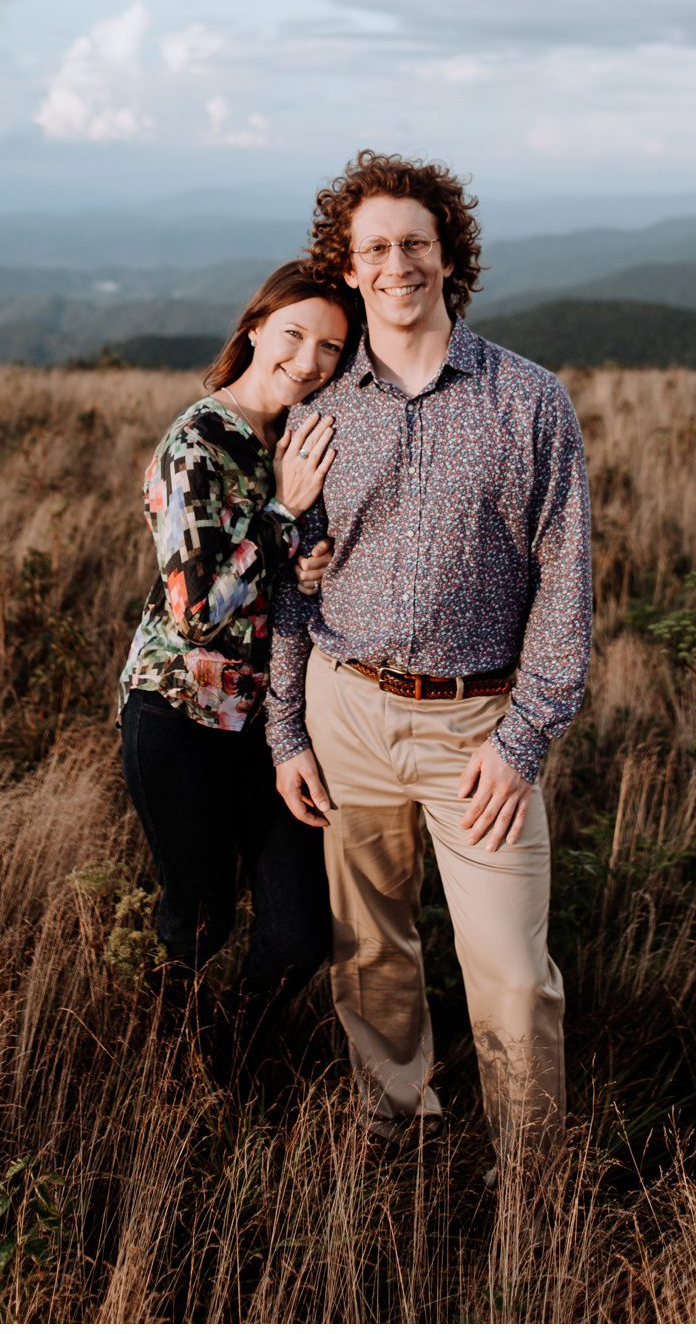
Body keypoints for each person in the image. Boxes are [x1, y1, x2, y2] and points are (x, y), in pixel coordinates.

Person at [266, 152, 592, 1174]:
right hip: (347, 710)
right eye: (374, 248)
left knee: (507, 966)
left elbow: (566, 583)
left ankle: (530, 1169)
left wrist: (524, 737)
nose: (396, 261)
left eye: (414, 241)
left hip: (477, 730)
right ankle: (393, 1119)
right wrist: (285, 729)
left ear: (449, 254)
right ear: (350, 272)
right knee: (371, 948)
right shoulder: (318, 415)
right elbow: (293, 582)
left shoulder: (529, 402)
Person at [118, 260, 353, 1083]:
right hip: (178, 718)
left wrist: (307, 559)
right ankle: (170, 1060)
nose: (309, 359)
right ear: (256, 327)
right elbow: (197, 611)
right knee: (203, 914)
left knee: (298, 933)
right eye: (294, 334)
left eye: (331, 346)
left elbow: (278, 570)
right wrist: (284, 515)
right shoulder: (199, 443)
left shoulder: (293, 434)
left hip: (269, 726)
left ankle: (235, 1049)